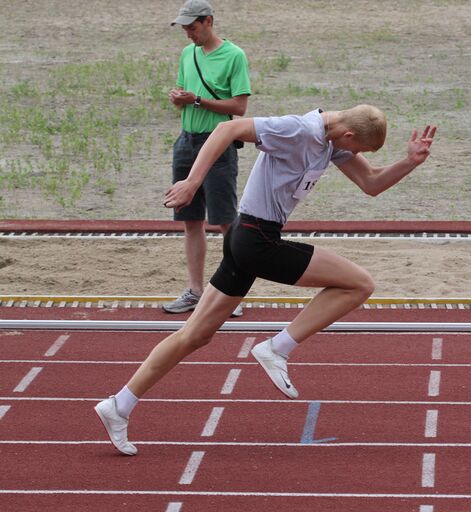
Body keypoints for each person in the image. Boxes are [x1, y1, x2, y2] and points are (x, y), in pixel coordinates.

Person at [94, 105, 437, 455]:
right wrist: (192, 182)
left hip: (247, 237)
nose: (358, 155)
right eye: (361, 149)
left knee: (194, 335)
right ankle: (277, 348)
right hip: (257, 239)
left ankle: (118, 405)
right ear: (349, 134)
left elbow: (371, 183)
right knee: (359, 283)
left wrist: (410, 162)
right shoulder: (296, 130)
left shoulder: (332, 142)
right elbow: (227, 130)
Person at [164, 0, 251, 317]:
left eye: (192, 27)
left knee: (226, 221)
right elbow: (183, 95)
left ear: (209, 21)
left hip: (218, 145)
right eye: (185, 28)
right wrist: (179, 98)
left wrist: (197, 100)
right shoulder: (188, 54)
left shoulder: (234, 56)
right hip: (186, 143)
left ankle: (231, 293)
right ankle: (196, 291)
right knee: (190, 221)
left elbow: (239, 108)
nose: (188, 34)